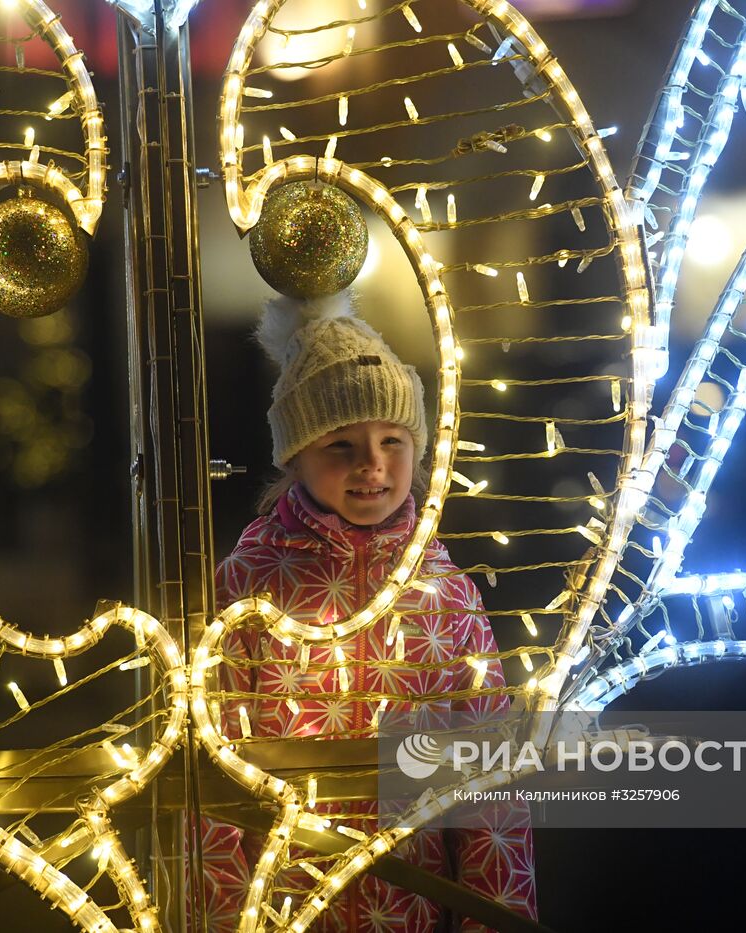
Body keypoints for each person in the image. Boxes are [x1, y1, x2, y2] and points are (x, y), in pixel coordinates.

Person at [201, 293, 538, 931]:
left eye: (392, 440)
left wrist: (495, 917)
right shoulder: (247, 589)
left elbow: (492, 785)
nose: (372, 465)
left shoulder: (445, 596)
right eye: (341, 444)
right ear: (295, 453)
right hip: (280, 910)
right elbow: (214, 784)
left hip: (413, 908)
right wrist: (223, 917)